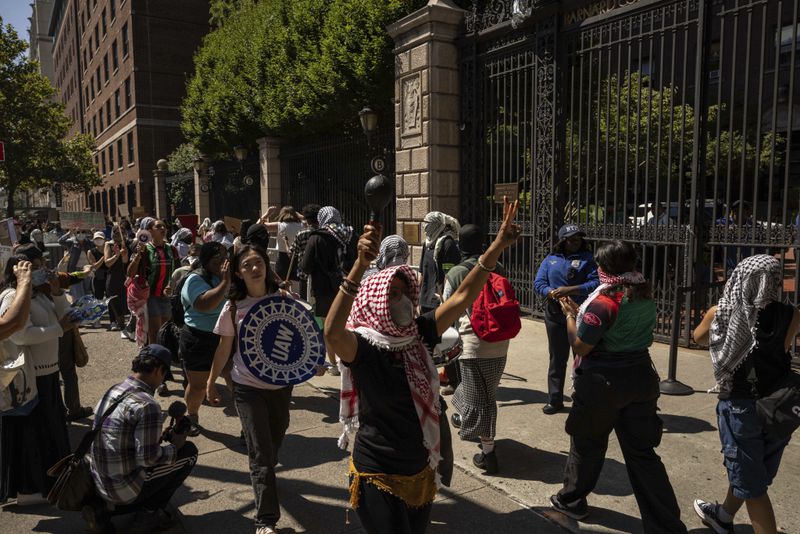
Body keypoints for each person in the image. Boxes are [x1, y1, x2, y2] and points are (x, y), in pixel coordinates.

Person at [324, 198, 522, 534]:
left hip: (419, 467)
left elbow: (462, 297)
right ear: (375, 300)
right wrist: (359, 265)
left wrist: (498, 247)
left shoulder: (419, 334)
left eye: (403, 292)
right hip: (378, 470)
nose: (399, 299)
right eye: (391, 293)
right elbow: (331, 332)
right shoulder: (364, 347)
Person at [550, 240, 687, 533]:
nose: (596, 269)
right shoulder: (643, 296)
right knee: (643, 455)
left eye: (599, 265)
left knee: (586, 444)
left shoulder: (602, 302)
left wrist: (571, 316)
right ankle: (666, 524)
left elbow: (581, 346)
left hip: (602, 383)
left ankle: (572, 500)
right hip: (641, 378)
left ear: (607, 269)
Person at [691, 255, 798, 534]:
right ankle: (723, 516)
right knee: (752, 471)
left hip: (740, 405)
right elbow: (783, 349)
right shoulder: (791, 314)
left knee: (751, 484)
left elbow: (699, 338)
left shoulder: (722, 312)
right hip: (777, 403)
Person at [206, 245, 295, 534]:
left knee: (274, 443)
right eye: (248, 265)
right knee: (260, 453)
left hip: (281, 387)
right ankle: (265, 521)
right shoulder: (232, 308)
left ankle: (266, 470)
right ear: (238, 273)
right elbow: (223, 350)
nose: (255, 268)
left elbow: (301, 336)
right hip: (246, 388)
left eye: (259, 262)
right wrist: (210, 381)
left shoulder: (283, 298)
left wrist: (314, 362)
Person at [84, 344, 198, 533]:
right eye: (164, 375)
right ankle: (149, 513)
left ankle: (103, 510)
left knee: (164, 456)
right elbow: (148, 459)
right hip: (120, 489)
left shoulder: (115, 389)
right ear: (157, 370)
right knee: (189, 454)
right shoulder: (147, 405)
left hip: (98, 480)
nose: (162, 380)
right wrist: (175, 446)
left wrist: (158, 438)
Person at [0, 248, 79, 504]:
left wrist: (56, 292)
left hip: (49, 373)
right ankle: (29, 490)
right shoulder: (12, 296)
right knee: (32, 437)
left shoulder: (39, 294)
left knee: (51, 432)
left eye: (42, 265)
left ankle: (51, 483)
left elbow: (62, 316)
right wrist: (58, 328)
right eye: (34, 266)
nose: (41, 269)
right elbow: (19, 335)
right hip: (30, 378)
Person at [444, 224, 510, 474]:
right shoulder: (499, 267)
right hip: (500, 342)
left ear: (460, 245)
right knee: (483, 394)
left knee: (482, 401)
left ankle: (488, 454)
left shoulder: (457, 272)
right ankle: (466, 418)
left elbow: (448, 311)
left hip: (473, 344)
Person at [533, 223, 599, 414]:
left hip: (580, 315)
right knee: (557, 358)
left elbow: (595, 283)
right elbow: (539, 283)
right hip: (555, 314)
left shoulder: (588, 259)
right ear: (563, 241)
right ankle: (555, 399)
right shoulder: (551, 259)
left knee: (581, 358)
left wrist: (572, 290)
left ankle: (583, 398)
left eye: (578, 239)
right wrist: (552, 293)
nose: (575, 242)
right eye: (571, 239)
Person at [180, 242, 230, 436]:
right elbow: (204, 304)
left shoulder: (227, 277)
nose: (223, 262)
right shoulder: (195, 279)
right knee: (198, 386)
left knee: (235, 379)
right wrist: (225, 283)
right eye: (218, 258)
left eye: (225, 257)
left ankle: (248, 424)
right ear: (206, 261)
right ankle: (192, 415)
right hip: (199, 338)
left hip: (225, 336)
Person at [300, 206, 354, 374]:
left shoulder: (316, 238)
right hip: (347, 286)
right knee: (346, 323)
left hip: (323, 288)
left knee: (328, 326)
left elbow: (305, 266)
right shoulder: (350, 234)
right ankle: (348, 358)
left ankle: (334, 364)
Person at [127, 218, 179, 347]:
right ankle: (155, 357)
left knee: (166, 330)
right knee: (155, 330)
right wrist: (138, 255)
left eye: (164, 227)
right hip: (150, 295)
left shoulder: (171, 249)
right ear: (149, 231)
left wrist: (172, 286)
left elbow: (177, 271)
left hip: (167, 295)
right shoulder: (144, 249)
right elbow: (130, 273)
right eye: (159, 227)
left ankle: (162, 355)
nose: (163, 229)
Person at [259, 206, 306, 287]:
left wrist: (267, 214)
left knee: (281, 285)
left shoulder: (279, 225)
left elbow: (258, 226)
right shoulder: (303, 225)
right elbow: (314, 222)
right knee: (297, 286)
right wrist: (301, 216)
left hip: (282, 258)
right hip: (297, 257)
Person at [289, 204, 321, 299]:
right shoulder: (324, 233)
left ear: (306, 219)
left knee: (305, 304)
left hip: (304, 275)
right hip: (320, 274)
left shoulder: (301, 234)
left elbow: (292, 253)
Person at [104, 224, 129, 333]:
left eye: (122, 232)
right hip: (113, 278)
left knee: (125, 304)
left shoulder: (127, 244)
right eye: (117, 232)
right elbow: (107, 263)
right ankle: (121, 326)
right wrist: (116, 255)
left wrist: (123, 254)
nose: (119, 235)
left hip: (124, 278)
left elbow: (125, 261)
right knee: (115, 303)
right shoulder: (108, 244)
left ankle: (125, 327)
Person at [58, 227, 93, 299]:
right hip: (75, 270)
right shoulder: (71, 242)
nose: (80, 234)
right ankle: (78, 309)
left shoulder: (88, 243)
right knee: (78, 294)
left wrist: (94, 232)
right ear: (75, 233)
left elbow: (98, 243)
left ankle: (87, 309)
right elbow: (60, 241)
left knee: (88, 293)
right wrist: (69, 233)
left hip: (87, 271)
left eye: (83, 232)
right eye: (78, 232)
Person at [88, 231, 109, 304]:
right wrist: (103, 258)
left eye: (100, 239)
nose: (98, 241)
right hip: (98, 278)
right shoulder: (91, 252)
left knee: (110, 297)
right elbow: (94, 267)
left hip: (109, 276)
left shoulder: (109, 249)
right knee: (98, 299)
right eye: (96, 239)